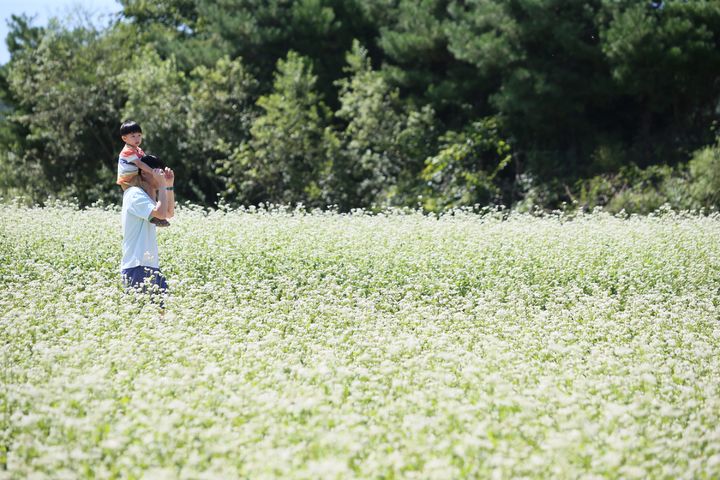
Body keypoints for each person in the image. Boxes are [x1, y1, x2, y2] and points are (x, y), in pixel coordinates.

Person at [120, 154, 175, 304]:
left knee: (162, 315)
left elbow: (168, 214)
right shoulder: (134, 194)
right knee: (146, 318)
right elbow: (161, 213)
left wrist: (169, 185)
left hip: (149, 265)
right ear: (144, 172)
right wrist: (163, 186)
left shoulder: (145, 196)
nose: (161, 176)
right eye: (158, 173)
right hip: (136, 266)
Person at [116, 120, 170, 227]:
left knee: (150, 188)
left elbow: (146, 160)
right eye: (133, 136)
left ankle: (155, 213)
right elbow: (140, 164)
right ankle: (154, 215)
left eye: (139, 135)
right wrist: (152, 172)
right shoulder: (127, 151)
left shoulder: (138, 150)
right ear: (124, 138)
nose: (137, 139)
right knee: (148, 189)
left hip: (135, 177)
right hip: (129, 180)